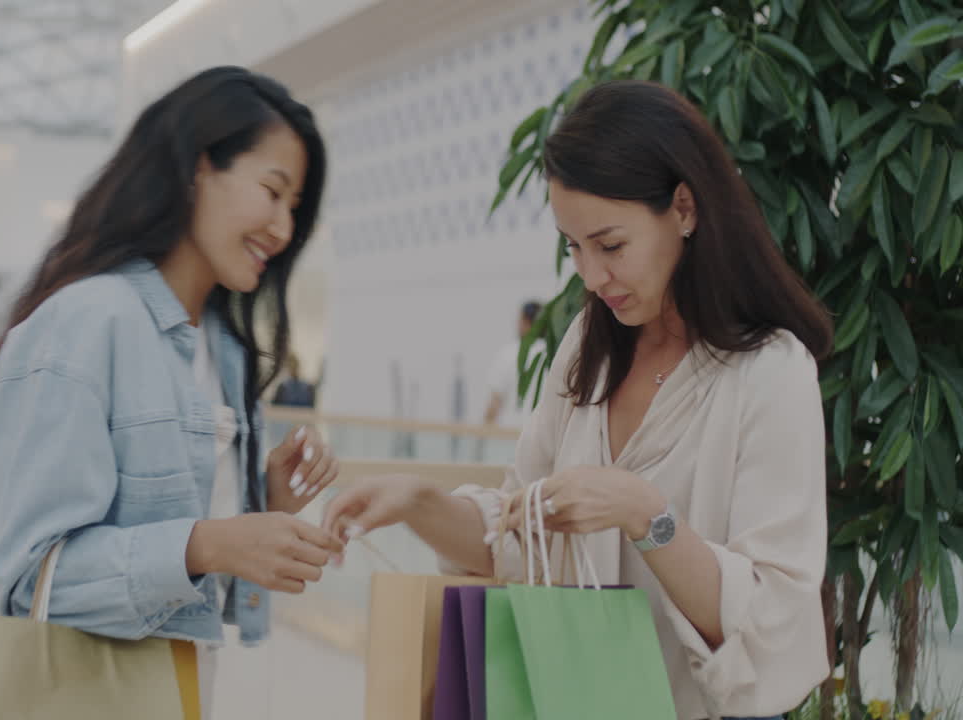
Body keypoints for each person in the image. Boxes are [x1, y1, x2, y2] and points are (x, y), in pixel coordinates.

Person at [324, 80, 833, 720]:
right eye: (574, 246)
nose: (592, 277)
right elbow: (522, 539)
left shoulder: (770, 371)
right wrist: (419, 502)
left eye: (610, 245)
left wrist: (645, 514)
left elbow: (771, 620)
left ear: (684, 208)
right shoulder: (589, 346)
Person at [0, 66, 343, 717]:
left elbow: (178, 556)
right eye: (272, 191)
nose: (284, 229)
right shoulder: (89, 321)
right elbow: (30, 580)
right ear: (198, 168)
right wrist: (210, 542)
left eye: (295, 207)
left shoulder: (224, 350)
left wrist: (263, 503)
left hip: (172, 692)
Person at [483, 299, 545, 428]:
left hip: (510, 435)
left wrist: (481, 437)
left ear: (524, 322)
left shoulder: (508, 353)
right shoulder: (553, 354)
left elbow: (495, 403)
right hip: (542, 435)